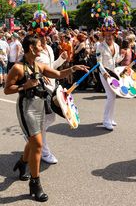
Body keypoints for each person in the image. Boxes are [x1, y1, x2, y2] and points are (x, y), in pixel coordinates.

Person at [4, 36, 88, 202]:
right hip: (26, 108)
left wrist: (73, 68)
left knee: (34, 141)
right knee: (38, 144)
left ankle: (22, 163)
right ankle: (35, 185)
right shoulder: (18, 68)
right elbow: (7, 89)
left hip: (40, 107)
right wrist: (23, 86)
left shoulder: (39, 66)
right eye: (38, 46)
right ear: (30, 48)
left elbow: (58, 74)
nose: (42, 48)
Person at [36, 35, 68, 164]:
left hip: (52, 86)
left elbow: (51, 67)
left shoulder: (49, 48)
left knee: (50, 118)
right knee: (46, 118)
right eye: (40, 36)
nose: (44, 39)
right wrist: (39, 75)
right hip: (40, 89)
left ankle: (33, 135)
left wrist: (61, 59)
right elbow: (27, 66)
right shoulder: (34, 51)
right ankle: (44, 151)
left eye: (45, 35)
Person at [96, 17, 123, 131]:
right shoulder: (100, 46)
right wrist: (105, 73)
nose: (108, 36)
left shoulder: (116, 46)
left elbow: (115, 61)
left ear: (114, 34)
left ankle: (110, 119)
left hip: (114, 74)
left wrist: (121, 62)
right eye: (106, 34)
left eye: (110, 34)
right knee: (110, 96)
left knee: (114, 96)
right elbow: (99, 63)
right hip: (104, 74)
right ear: (103, 34)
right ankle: (106, 121)